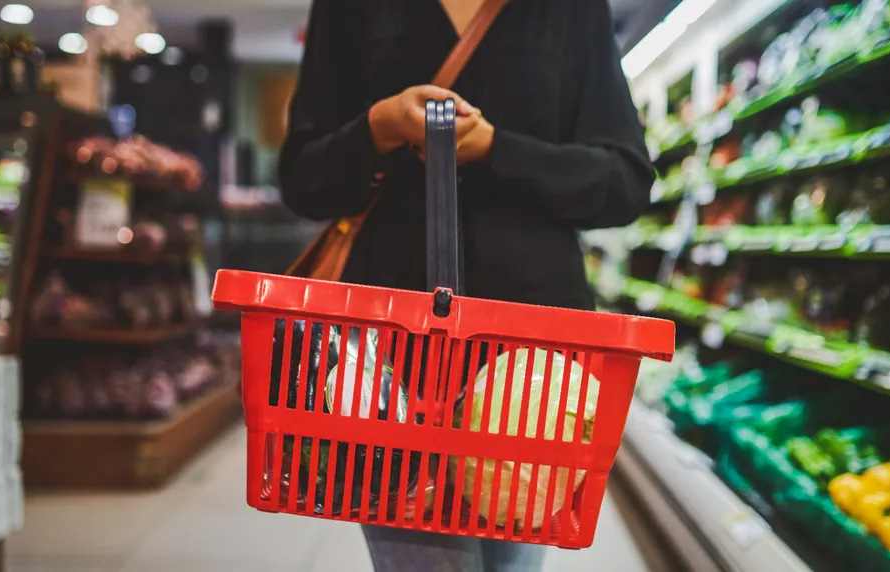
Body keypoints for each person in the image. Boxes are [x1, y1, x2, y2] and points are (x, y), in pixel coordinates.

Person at [279, 0, 654, 570]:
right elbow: (302, 179)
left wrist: (499, 150)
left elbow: (626, 181)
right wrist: (377, 128)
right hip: (389, 361)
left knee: (513, 559)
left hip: (535, 370)